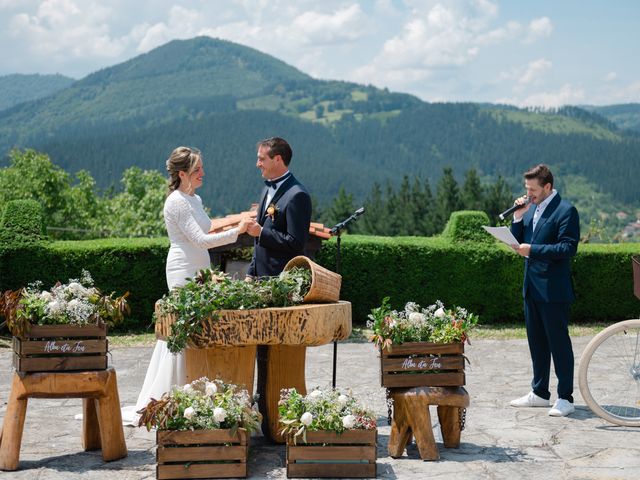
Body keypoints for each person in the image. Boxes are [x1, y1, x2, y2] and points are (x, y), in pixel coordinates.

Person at [121, 146, 254, 425]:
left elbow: (207, 227)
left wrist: (236, 218)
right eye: (197, 170)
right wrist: (238, 231)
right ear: (182, 174)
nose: (203, 173)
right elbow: (201, 240)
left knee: (197, 325)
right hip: (183, 268)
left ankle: (193, 389)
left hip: (200, 267)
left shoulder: (194, 198)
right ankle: (172, 395)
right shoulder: (177, 202)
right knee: (183, 327)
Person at [509, 164, 580, 417]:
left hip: (554, 291)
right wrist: (518, 216)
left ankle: (565, 397)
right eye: (526, 188)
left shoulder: (566, 211)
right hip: (531, 288)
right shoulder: (530, 209)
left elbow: (568, 249)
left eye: (533, 189)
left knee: (559, 344)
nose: (528, 193)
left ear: (547, 186)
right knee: (536, 343)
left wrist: (534, 250)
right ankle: (539, 393)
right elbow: (518, 242)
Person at [246, 136, 312, 278]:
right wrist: (251, 273)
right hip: (260, 279)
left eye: (262, 159)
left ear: (277, 159)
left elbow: (296, 242)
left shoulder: (298, 195)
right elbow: (259, 243)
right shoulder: (266, 188)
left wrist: (262, 232)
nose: (258, 164)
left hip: (282, 280)